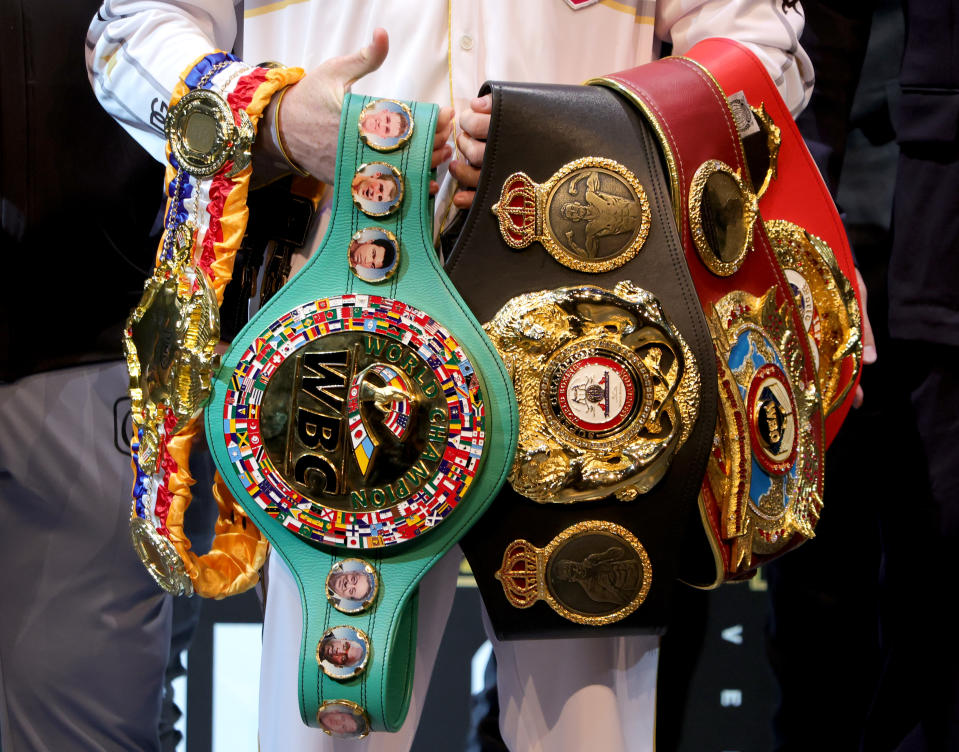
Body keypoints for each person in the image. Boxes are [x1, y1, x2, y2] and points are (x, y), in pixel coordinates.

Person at [87, 3, 814, 750]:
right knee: (332, 730)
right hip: (341, 325)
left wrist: (594, 129)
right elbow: (128, 33)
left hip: (590, 330)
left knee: (587, 734)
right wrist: (270, 115)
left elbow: (763, 55)